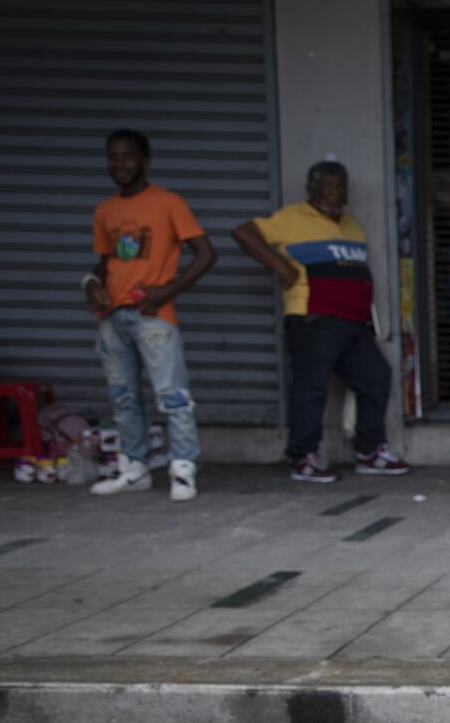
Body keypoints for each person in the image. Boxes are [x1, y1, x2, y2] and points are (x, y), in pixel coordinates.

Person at [232, 161, 410, 482]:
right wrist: (282, 268)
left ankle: (369, 452)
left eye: (340, 187)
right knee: (310, 388)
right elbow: (244, 233)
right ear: (310, 189)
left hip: (353, 324)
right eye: (327, 187)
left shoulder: (351, 226)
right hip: (313, 318)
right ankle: (303, 458)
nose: (334, 193)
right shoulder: (292, 218)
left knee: (375, 377)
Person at [85, 129, 214, 501]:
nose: (119, 164)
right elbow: (107, 260)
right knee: (122, 395)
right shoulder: (105, 210)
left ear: (146, 161)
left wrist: (166, 292)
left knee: (172, 395)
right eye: (113, 156)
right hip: (112, 315)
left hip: (153, 314)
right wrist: (91, 282)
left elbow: (206, 253)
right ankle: (134, 467)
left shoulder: (168, 203)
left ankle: (183, 468)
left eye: (127, 156)